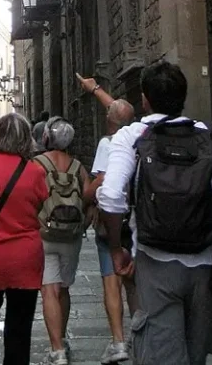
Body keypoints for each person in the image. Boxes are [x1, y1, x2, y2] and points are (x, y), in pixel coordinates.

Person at [98, 62, 212, 365]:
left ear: (145, 99)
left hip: (154, 261)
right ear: (183, 96)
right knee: (197, 356)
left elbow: (111, 197)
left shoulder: (132, 136)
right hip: (207, 264)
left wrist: (117, 249)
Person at [0, 112, 49, 365]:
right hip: (25, 258)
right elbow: (38, 206)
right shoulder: (35, 172)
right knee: (20, 328)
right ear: (27, 139)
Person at [35, 117, 91, 365]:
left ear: (47, 137)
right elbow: (89, 198)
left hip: (44, 234)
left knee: (49, 289)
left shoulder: (37, 164)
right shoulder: (78, 167)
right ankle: (63, 338)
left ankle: (56, 349)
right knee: (64, 289)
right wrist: (82, 224)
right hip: (71, 236)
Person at [88, 98, 137, 365]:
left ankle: (118, 341)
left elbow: (102, 180)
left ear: (110, 120)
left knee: (111, 281)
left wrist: (87, 199)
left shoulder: (107, 144)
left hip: (113, 221)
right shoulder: (141, 138)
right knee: (133, 281)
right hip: (137, 219)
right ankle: (139, 337)